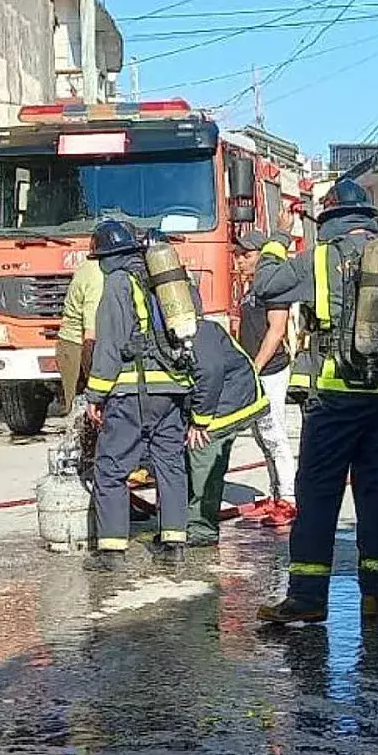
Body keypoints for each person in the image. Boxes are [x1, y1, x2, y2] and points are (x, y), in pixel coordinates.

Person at [252, 181, 378, 625]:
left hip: (333, 392)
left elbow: (265, 285)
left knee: (318, 493)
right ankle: (374, 594)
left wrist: (278, 237)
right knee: (374, 488)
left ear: (327, 218)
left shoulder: (317, 257)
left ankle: (308, 597)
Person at [83, 220, 193, 571]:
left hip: (133, 390)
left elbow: (111, 344)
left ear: (105, 257)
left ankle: (112, 552)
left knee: (111, 469)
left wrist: (95, 395)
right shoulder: (161, 278)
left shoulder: (117, 282)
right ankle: (174, 543)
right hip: (172, 389)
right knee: (170, 465)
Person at [184, 316, 269, 547]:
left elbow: (210, 372)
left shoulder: (198, 331)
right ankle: (187, 522)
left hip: (228, 402)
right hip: (221, 395)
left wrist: (200, 421)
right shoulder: (194, 330)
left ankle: (202, 529)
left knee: (202, 455)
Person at [233, 232, 298, 525]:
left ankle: (288, 498)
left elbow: (276, 330)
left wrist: (256, 367)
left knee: (274, 433)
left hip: (271, 370)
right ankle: (275, 495)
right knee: (261, 435)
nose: (239, 260)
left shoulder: (273, 286)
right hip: (254, 369)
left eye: (245, 255)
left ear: (261, 254)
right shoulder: (250, 288)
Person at [56, 238, 106, 413]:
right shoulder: (98, 276)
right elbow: (90, 335)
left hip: (71, 345)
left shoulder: (89, 266)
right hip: (79, 348)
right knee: (85, 413)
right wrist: (95, 383)